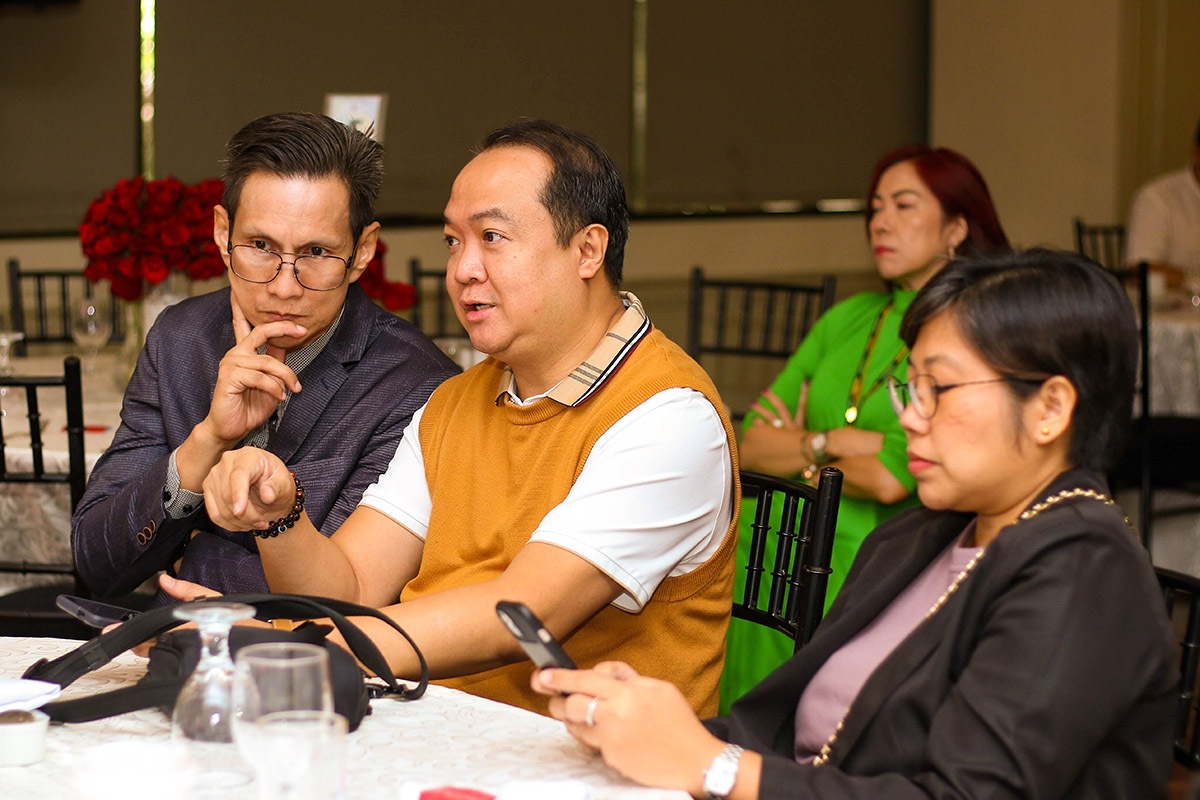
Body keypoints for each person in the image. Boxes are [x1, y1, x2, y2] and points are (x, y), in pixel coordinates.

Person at [534, 248, 1176, 799]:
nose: (910, 417)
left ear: (1050, 408)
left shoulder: (1085, 569)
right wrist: (649, 728)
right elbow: (786, 735)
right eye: (909, 387)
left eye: (938, 389)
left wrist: (711, 766)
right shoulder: (917, 536)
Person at [173, 119, 740, 716]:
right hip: (433, 730)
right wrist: (279, 515)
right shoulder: (456, 402)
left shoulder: (667, 416)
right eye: (453, 241)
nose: (463, 268)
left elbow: (520, 615)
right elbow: (353, 590)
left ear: (587, 251)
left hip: (583, 755)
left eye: (492, 237)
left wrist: (281, 647)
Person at [72, 112, 459, 604]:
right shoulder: (180, 338)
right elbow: (94, 562)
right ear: (222, 233)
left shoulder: (415, 383)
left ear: (362, 252)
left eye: (316, 252)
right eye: (260, 246)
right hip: (169, 645)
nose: (284, 287)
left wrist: (195, 554)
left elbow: (343, 596)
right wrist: (209, 439)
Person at [721, 145, 1009, 711]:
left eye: (904, 205)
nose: (880, 222)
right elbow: (750, 441)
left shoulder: (969, 330)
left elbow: (888, 480)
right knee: (741, 539)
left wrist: (804, 454)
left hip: (884, 546)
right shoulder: (847, 318)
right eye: (875, 207)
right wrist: (832, 443)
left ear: (956, 228)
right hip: (786, 529)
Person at [1126, 117, 1200, 282]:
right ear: (1196, 152)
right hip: (1172, 298)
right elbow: (1142, 268)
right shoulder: (1158, 197)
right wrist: (1193, 279)